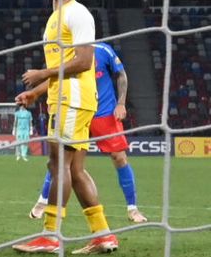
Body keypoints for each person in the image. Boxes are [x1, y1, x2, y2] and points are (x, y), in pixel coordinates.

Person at [12, 0, 117, 255]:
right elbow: (63, 67)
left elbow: (83, 62)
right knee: (76, 169)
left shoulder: (77, 14)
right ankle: (103, 234)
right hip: (68, 96)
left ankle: (50, 235)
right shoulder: (56, 16)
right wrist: (35, 92)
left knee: (59, 164)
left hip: (72, 99)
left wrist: (42, 74)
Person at [29, 41, 146, 222]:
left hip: (104, 112)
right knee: (63, 159)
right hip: (78, 109)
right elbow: (55, 80)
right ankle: (43, 201)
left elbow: (121, 75)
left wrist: (121, 103)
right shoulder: (66, 53)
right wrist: (35, 93)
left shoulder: (103, 50)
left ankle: (133, 208)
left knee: (119, 157)